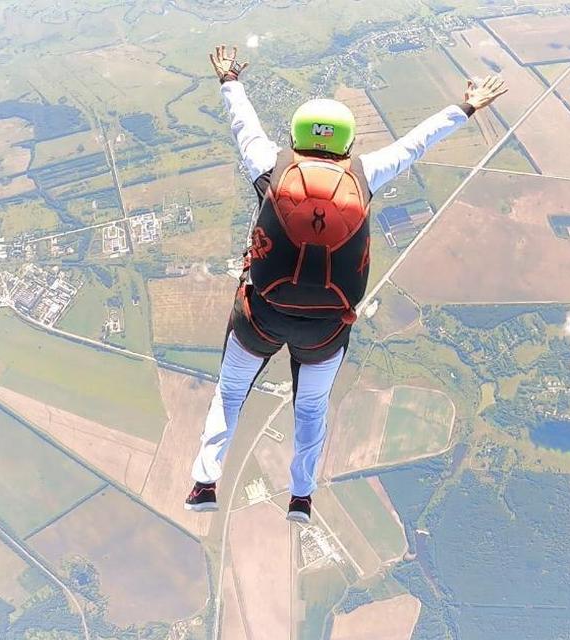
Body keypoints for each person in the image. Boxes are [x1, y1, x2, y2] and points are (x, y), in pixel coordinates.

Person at [185, 45, 507, 523]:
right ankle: (300, 498)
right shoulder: (364, 174)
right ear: (349, 142)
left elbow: (243, 125)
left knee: (231, 395)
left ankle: (204, 485)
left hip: (261, 316)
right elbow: (416, 143)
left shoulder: (271, 167)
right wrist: (466, 106)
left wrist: (229, 79)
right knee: (311, 410)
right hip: (326, 330)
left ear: (296, 136)